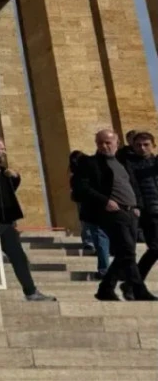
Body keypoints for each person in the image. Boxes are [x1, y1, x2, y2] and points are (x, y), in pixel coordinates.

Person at [0, 137, 56, 302]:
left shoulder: (1, 169)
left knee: (18, 256)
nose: (4, 152)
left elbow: (7, 193)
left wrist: (15, 177)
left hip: (4, 221)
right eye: (1, 148)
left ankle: (31, 291)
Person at [72, 129, 155, 301]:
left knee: (125, 253)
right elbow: (80, 189)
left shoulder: (122, 162)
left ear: (117, 143)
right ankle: (138, 289)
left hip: (131, 212)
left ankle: (105, 289)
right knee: (127, 251)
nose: (104, 146)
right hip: (111, 212)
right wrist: (105, 201)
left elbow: (133, 185)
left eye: (108, 142)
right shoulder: (89, 162)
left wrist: (138, 206)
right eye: (100, 142)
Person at [70, 149, 111, 278]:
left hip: (93, 207)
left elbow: (79, 190)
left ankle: (104, 269)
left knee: (100, 236)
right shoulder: (96, 169)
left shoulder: (80, 173)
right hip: (98, 206)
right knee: (100, 236)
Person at [127, 132, 158, 282]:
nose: (142, 148)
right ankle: (134, 282)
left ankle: (132, 283)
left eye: (146, 144)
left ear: (153, 145)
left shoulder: (156, 162)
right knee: (155, 247)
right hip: (149, 212)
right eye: (138, 145)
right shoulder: (129, 165)